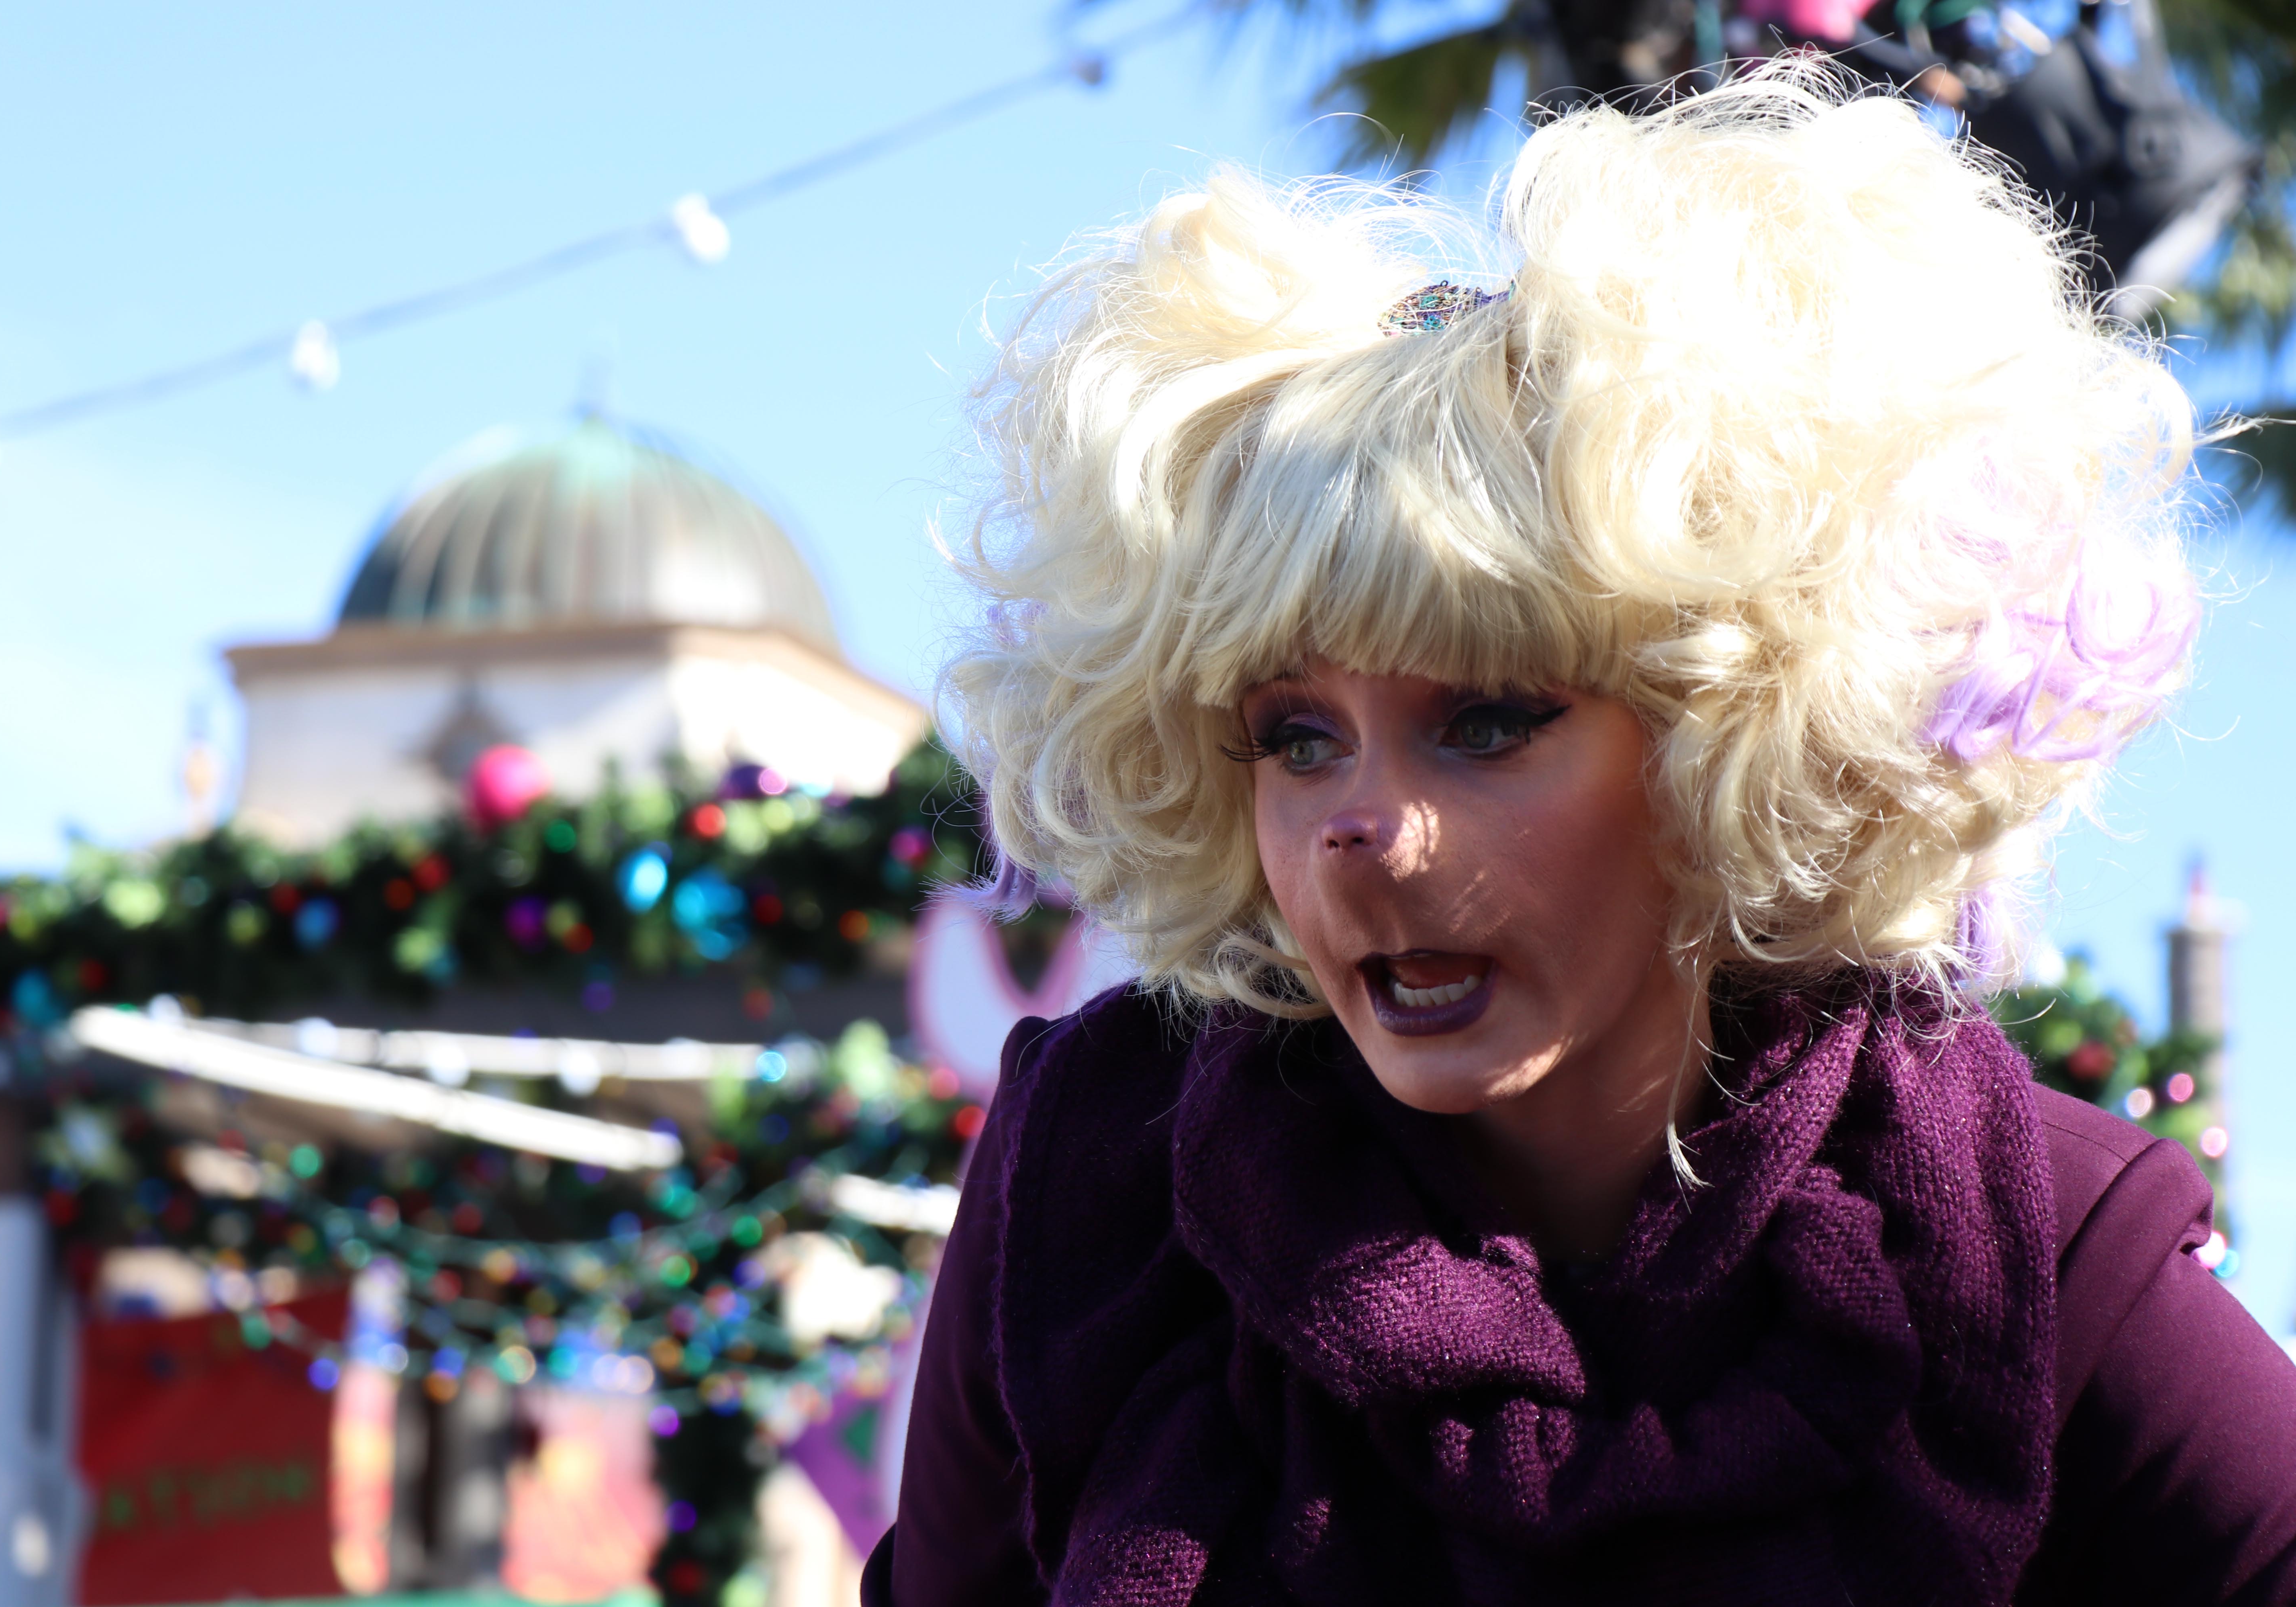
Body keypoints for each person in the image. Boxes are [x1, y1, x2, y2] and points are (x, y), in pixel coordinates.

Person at [867, 65, 2296, 1606]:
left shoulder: (2029, 1248)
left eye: (1486, 720)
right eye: (1297, 736)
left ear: (1727, 741)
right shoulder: (1098, 1181)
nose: (1360, 828)